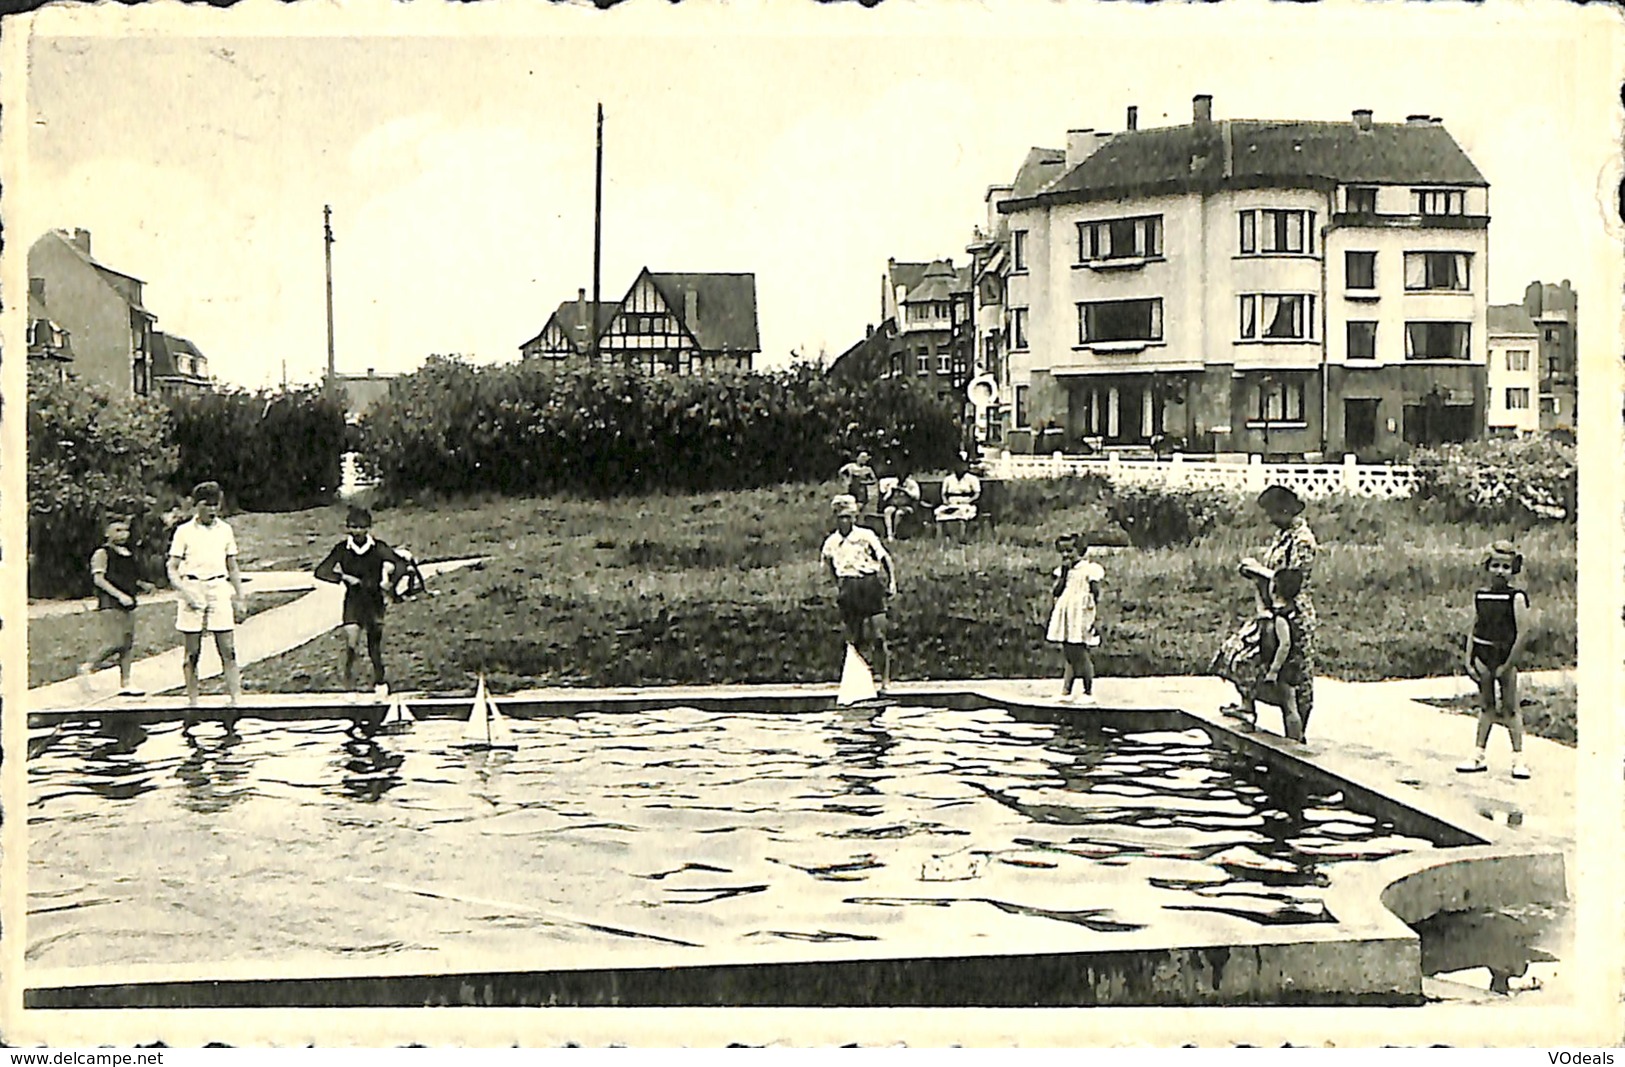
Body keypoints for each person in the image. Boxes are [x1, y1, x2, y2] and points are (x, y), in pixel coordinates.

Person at [167, 481, 247, 725]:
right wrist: (184, 591)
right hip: (192, 586)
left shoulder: (225, 530)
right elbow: (171, 567)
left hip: (218, 587)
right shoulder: (184, 532)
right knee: (192, 652)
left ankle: (236, 698)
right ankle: (193, 701)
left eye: (215, 505)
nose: (212, 510)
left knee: (228, 648)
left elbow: (232, 565)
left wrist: (240, 596)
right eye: (207, 505)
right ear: (196, 505)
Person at [314, 506, 409, 696]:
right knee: (351, 644)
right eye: (352, 527)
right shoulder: (342, 549)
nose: (356, 531)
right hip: (353, 601)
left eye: (360, 527)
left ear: (368, 528)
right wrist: (343, 578)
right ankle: (350, 686)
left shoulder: (378, 547)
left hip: (374, 601)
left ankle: (380, 682)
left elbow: (400, 565)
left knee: (374, 645)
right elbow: (321, 571)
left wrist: (388, 582)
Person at [1458, 541, 1532, 779]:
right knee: (1486, 706)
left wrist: (1508, 664)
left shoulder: (1516, 597)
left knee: (1510, 708)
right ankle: (1478, 754)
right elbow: (1475, 627)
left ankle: (1518, 759)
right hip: (1483, 655)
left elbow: (1523, 633)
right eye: (1495, 565)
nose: (1500, 571)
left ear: (1513, 570)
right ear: (1487, 567)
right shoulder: (1481, 595)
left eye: (1505, 567)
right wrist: (1469, 658)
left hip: (1504, 656)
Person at [1252, 484, 1318, 733]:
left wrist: (1258, 571)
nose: (1269, 519)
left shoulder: (1303, 541)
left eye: (1272, 513)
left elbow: (1292, 579)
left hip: (1294, 614)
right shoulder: (1283, 535)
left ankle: (1297, 740)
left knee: (1295, 680)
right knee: (1278, 679)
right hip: (1277, 607)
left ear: (1284, 510)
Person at [820, 494, 896, 691]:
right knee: (854, 639)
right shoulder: (831, 542)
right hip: (849, 586)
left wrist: (892, 582)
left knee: (878, 635)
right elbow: (828, 564)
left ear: (854, 517)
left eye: (848, 516)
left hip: (869, 584)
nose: (845, 520)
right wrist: (837, 586)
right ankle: (862, 680)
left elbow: (885, 558)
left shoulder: (865, 535)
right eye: (841, 517)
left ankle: (885, 680)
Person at [78, 516, 154, 696]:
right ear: (107, 533)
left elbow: (130, 577)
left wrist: (143, 585)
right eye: (117, 530)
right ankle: (88, 666)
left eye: (125, 530)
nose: (122, 534)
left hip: (129, 602)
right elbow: (99, 579)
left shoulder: (128, 553)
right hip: (111, 603)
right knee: (115, 641)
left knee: (127, 643)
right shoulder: (102, 553)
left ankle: (126, 682)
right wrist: (119, 595)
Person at [1046, 533, 1105, 704]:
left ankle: (1088, 692)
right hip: (1067, 610)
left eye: (1070, 551)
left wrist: (1093, 616)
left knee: (1080, 651)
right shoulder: (1064, 570)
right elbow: (1056, 591)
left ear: (1080, 550)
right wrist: (1064, 574)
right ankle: (1066, 691)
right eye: (1062, 552)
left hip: (1081, 612)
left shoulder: (1089, 570)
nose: (1065, 555)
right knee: (1068, 651)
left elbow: (1095, 592)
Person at [934, 453, 982, 539]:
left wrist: (969, 500)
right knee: (939, 512)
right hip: (951, 503)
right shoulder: (948, 479)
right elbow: (944, 494)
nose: (959, 466)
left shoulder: (972, 479)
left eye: (961, 464)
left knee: (962, 513)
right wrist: (945, 501)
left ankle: (961, 537)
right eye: (957, 464)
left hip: (966, 503)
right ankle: (941, 537)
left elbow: (977, 494)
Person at [878, 468, 923, 542]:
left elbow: (917, 496)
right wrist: (890, 491)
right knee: (887, 511)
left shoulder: (912, 484)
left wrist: (906, 491)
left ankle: (895, 533)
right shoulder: (893, 483)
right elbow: (885, 499)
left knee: (899, 513)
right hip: (894, 505)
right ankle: (889, 534)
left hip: (908, 506)